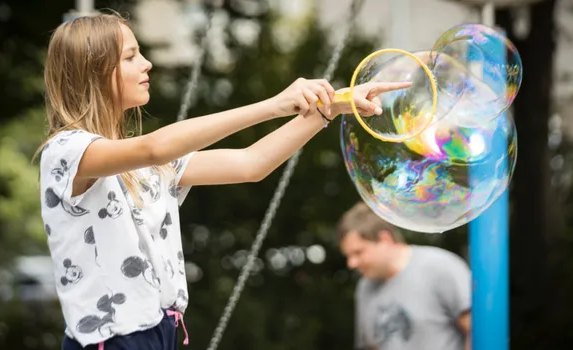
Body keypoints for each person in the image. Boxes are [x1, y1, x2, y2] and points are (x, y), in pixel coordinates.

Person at [35, 11, 411, 350]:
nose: (147, 63)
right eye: (131, 56)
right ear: (95, 70)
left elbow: (252, 163)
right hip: (113, 341)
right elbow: (156, 148)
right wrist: (272, 105)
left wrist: (331, 108)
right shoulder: (67, 152)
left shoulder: (145, 161)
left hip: (161, 331)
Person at [336, 202, 472, 350]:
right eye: (348, 256)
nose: (351, 263)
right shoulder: (365, 287)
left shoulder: (439, 266)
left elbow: (477, 329)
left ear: (385, 239)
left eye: (358, 252)